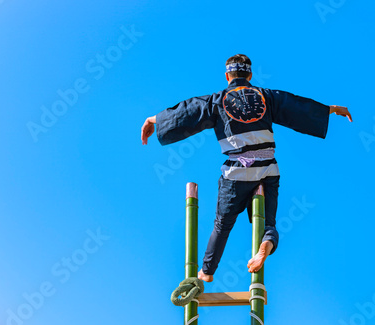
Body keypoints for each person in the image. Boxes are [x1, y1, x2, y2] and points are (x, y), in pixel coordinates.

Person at [141, 54, 352, 282]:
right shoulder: (267, 96)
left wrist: (153, 120)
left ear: (227, 76)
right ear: (249, 75)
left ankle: (207, 272)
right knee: (267, 224)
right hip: (268, 169)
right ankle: (265, 245)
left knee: (222, 224)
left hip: (238, 171)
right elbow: (295, 104)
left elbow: (187, 111)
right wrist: (331, 109)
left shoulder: (216, 100)